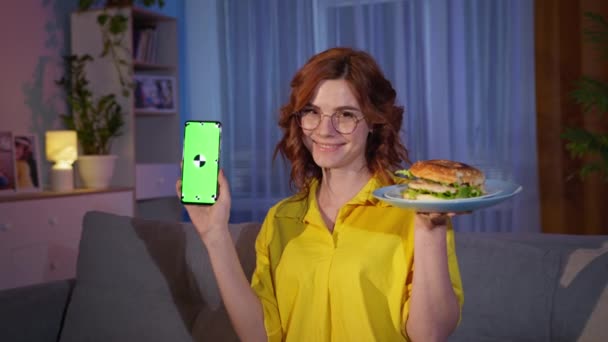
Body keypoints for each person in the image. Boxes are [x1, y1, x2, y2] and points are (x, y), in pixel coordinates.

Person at [177, 47, 464, 341]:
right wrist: (215, 236)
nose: (325, 130)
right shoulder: (280, 219)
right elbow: (258, 335)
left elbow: (430, 335)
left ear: (374, 122)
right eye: (313, 112)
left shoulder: (418, 212)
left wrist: (430, 230)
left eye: (346, 115)